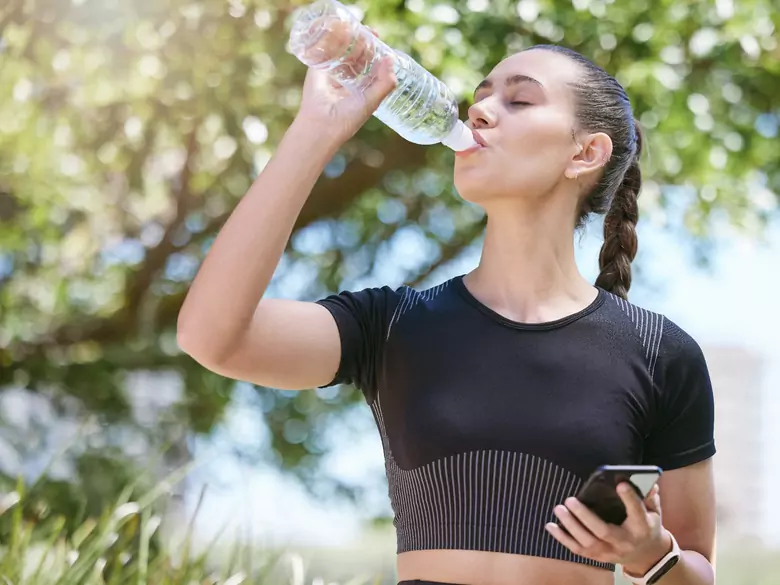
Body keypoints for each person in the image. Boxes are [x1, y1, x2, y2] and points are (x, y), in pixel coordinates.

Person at [177, 43, 717, 585]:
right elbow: (213, 336)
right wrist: (315, 131)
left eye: (520, 101)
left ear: (585, 153)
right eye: (480, 98)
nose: (479, 111)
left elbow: (699, 570)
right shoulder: (392, 325)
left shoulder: (660, 353)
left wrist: (653, 554)